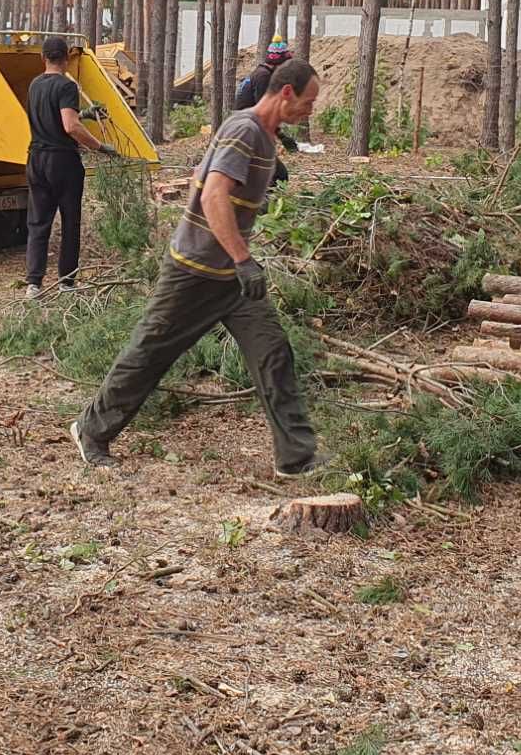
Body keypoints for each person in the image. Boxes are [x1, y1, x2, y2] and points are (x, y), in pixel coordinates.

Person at [69, 58, 326, 476]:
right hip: (194, 272)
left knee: (272, 353)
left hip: (230, 280)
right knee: (149, 353)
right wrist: (243, 259)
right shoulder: (244, 130)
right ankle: (91, 429)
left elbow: (198, 178)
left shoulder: (259, 132)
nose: (310, 110)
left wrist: (236, 260)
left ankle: (295, 456)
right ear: (285, 93)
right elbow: (212, 197)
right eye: (309, 102)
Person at [24, 35, 104, 299]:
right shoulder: (66, 86)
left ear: (43, 58)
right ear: (67, 58)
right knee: (70, 222)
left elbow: (56, 117)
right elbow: (69, 126)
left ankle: (33, 284)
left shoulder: (34, 85)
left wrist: (84, 115)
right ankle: (67, 283)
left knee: (38, 222)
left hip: (36, 158)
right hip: (62, 161)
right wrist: (100, 147)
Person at [233, 35, 300, 183]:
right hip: (246, 133)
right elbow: (264, 114)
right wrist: (282, 137)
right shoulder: (263, 77)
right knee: (278, 175)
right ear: (278, 63)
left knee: (273, 176)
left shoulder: (261, 73)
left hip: (246, 130)